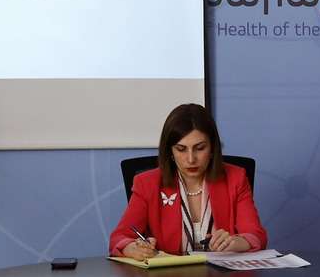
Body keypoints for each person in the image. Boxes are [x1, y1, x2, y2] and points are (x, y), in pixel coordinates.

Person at [111, 103, 265, 258]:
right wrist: (131, 248)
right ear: (170, 151)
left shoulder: (236, 178)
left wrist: (236, 242)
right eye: (181, 149)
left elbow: (256, 235)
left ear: (212, 148)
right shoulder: (147, 184)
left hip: (221, 273)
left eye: (200, 148)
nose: (191, 159)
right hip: (169, 273)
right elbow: (119, 238)